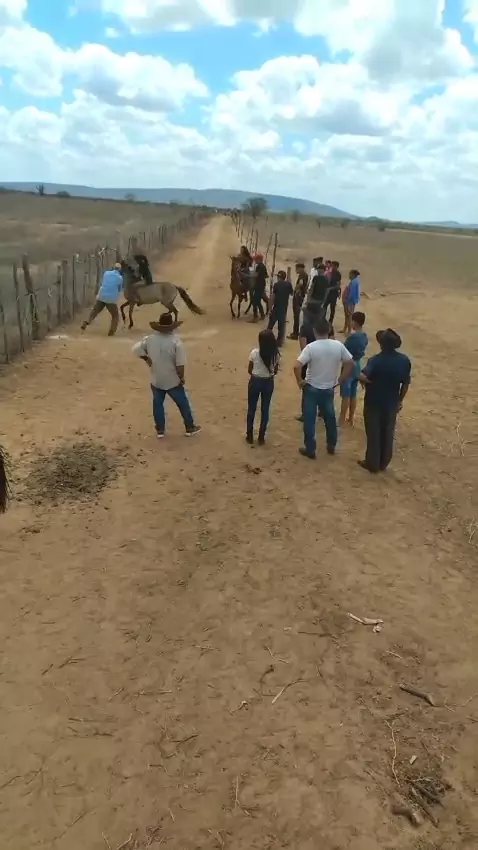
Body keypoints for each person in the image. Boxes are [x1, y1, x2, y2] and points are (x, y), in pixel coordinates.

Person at [132, 313, 201, 438]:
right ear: (172, 327)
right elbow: (180, 365)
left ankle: (160, 430)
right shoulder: (176, 342)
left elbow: (136, 349)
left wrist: (146, 359)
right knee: (183, 404)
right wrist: (181, 378)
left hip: (156, 378)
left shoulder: (150, 339)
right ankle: (190, 427)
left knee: (157, 404)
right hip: (172, 379)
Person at [294, 317, 353, 459]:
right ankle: (331, 445)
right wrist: (341, 379)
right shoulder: (338, 346)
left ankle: (310, 449)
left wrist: (300, 381)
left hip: (311, 387)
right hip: (328, 388)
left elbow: (297, 366)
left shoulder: (311, 347)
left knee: (309, 419)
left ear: (315, 331)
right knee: (330, 417)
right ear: (329, 330)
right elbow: (350, 363)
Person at [358, 329, 411, 473]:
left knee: (373, 432)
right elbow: (405, 383)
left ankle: (372, 463)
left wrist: (366, 381)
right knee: (387, 432)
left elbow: (362, 375)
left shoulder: (375, 360)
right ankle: (383, 462)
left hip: (374, 401)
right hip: (391, 401)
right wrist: (400, 400)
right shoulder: (404, 360)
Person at [246, 329, 280, 445]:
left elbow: (249, 370)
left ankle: (249, 435)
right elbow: (275, 371)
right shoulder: (275, 355)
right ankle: (261, 436)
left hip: (255, 381)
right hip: (268, 382)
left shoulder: (254, 353)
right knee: (265, 409)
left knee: (251, 409)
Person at [339, 311, 368, 427]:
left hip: (349, 365)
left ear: (354, 322)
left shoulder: (352, 337)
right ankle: (351, 418)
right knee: (353, 394)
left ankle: (341, 419)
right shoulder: (364, 336)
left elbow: (344, 350)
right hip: (358, 364)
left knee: (346, 395)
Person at [81, 262, 123, 336]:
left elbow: (103, 282)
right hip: (111, 299)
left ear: (113, 267)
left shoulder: (106, 273)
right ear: (120, 269)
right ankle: (112, 330)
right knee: (115, 315)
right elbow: (119, 289)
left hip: (101, 295)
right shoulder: (120, 278)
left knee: (94, 311)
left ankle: (86, 322)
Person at [268, 270, 294, 346]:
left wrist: (270, 309)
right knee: (281, 326)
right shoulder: (288, 284)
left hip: (276, 307)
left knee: (270, 325)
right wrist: (289, 283)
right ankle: (279, 342)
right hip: (284, 308)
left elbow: (273, 297)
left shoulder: (276, 285)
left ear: (279, 277)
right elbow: (292, 293)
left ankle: (267, 339)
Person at [288, 262, 309, 340]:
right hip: (300, 297)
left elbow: (300, 284)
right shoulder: (304, 275)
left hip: (298, 297)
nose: (296, 270)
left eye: (296, 268)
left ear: (300, 268)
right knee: (296, 315)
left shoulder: (302, 275)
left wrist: (295, 289)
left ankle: (295, 333)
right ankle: (296, 332)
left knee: (296, 315)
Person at [249, 253, 269, 321]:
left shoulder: (259, 266)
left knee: (255, 301)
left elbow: (256, 275)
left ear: (259, 259)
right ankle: (262, 315)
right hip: (262, 285)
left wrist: (250, 275)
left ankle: (255, 317)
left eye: (256, 259)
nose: (255, 261)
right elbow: (266, 275)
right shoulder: (263, 266)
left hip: (258, 286)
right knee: (258, 301)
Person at [341, 269, 360, 334]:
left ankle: (349, 331)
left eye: (350, 274)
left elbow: (352, 293)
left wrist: (347, 300)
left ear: (353, 275)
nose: (349, 275)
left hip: (349, 302)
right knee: (347, 316)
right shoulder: (352, 281)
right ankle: (345, 329)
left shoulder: (354, 282)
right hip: (348, 301)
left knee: (349, 316)